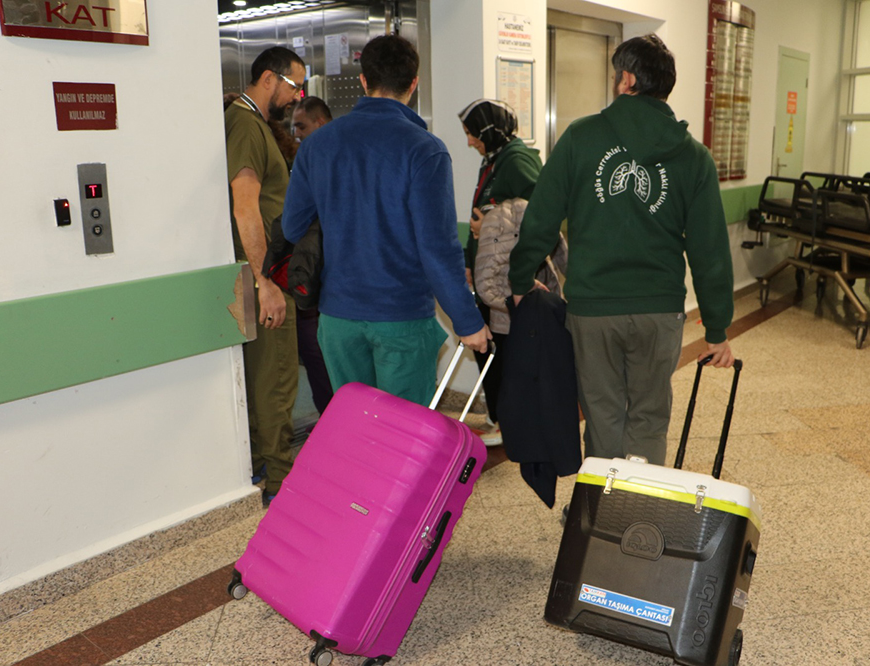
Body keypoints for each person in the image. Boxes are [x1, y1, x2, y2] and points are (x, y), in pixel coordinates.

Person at [509, 34, 735, 467]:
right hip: (660, 310)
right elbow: (710, 251)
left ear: (626, 79)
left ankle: (601, 518)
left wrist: (520, 281)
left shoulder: (580, 138)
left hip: (593, 310)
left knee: (602, 415)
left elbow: (539, 219)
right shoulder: (694, 157)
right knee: (649, 417)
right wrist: (718, 329)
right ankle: (640, 518)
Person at [282, 34, 489, 406]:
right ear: (413, 83)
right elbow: (437, 247)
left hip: (338, 317)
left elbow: (293, 227)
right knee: (403, 436)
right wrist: (467, 321)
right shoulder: (425, 150)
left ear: (363, 80)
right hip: (401, 317)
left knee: (356, 427)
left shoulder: (317, 144)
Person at [225, 46, 306, 504]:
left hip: (267, 272)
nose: (297, 96)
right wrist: (266, 281)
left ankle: (265, 467)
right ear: (270, 79)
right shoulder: (245, 124)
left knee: (266, 379)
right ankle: (280, 482)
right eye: (294, 85)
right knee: (275, 380)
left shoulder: (249, 122)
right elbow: (245, 204)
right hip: (265, 277)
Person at [457, 99, 542, 443]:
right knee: (490, 352)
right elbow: (481, 213)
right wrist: (467, 260)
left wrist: (487, 229)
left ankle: (510, 422)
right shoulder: (492, 161)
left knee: (504, 354)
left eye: (473, 134)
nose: (469, 142)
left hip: (506, 278)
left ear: (491, 131)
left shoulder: (518, 162)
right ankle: (499, 418)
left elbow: (538, 219)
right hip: (486, 273)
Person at [289, 96, 335, 415]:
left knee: (315, 348)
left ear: (320, 123)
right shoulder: (354, 153)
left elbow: (292, 226)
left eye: (302, 126)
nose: (297, 135)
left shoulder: (313, 156)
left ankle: (334, 423)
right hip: (342, 284)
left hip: (322, 280)